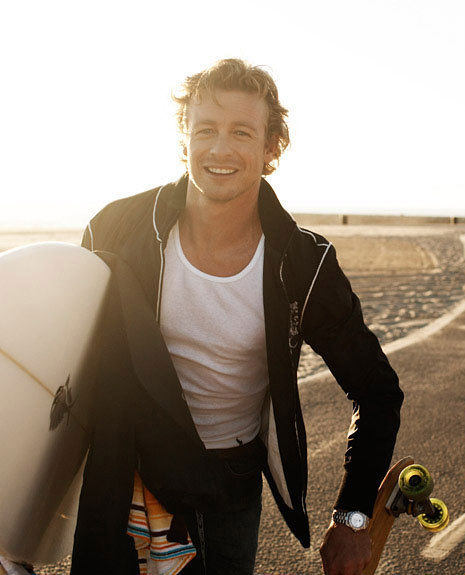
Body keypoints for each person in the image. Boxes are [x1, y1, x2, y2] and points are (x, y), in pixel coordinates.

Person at [71, 59, 404, 575]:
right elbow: (61, 361)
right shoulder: (117, 229)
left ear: (271, 150)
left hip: (229, 484)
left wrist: (353, 518)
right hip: (125, 470)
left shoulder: (303, 265)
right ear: (184, 139)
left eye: (241, 133)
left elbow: (377, 390)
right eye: (205, 130)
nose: (220, 149)